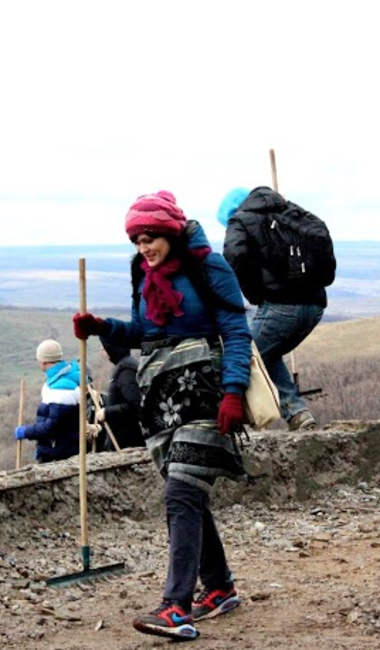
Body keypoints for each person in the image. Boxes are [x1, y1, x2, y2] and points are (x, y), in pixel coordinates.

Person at [73, 190, 251, 640]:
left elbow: (236, 330)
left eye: (149, 238)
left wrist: (233, 392)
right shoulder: (143, 273)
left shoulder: (207, 267)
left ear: (169, 232)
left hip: (205, 393)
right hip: (163, 400)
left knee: (179, 494)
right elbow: (146, 331)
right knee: (187, 493)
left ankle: (177, 607)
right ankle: (220, 586)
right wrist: (103, 329)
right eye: (136, 241)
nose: (143, 248)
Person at [217, 186, 335, 431]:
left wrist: (254, 293)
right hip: (314, 306)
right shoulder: (292, 212)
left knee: (243, 355)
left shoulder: (239, 220)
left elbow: (234, 255)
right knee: (267, 354)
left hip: (281, 306)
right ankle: (298, 414)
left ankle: (223, 424)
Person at [14, 339, 82, 463]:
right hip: (55, 449)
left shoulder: (62, 388)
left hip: (59, 453)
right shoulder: (59, 379)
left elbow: (53, 427)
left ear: (43, 361)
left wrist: (26, 432)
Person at [94, 336, 143, 449]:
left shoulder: (126, 370)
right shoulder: (123, 366)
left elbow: (134, 405)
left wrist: (107, 412)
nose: (101, 349)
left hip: (126, 441)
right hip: (121, 439)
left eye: (104, 346)